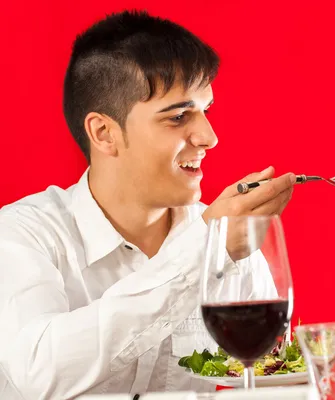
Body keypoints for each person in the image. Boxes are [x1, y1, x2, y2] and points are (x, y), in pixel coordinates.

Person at [0, 10, 295, 399]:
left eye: (206, 110)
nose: (209, 136)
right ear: (104, 133)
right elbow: (39, 373)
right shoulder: (22, 233)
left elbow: (272, 378)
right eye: (178, 117)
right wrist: (206, 250)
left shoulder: (228, 236)